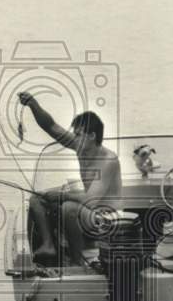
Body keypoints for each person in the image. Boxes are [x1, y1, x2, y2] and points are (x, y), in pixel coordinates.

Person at [18, 92, 121, 268]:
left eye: (79, 134)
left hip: (107, 214)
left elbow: (91, 199)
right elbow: (51, 126)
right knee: (37, 199)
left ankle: (77, 260)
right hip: (90, 208)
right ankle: (48, 246)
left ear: (92, 136)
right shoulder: (80, 146)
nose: (75, 137)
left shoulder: (108, 160)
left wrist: (61, 195)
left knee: (68, 208)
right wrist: (33, 104)